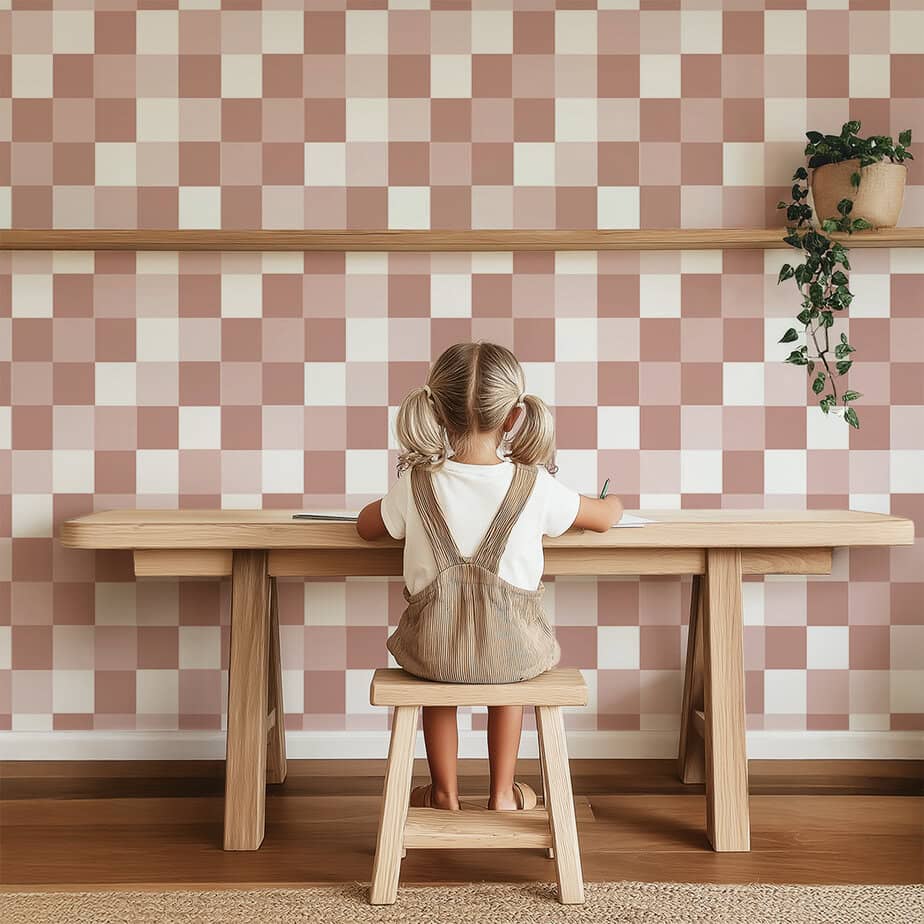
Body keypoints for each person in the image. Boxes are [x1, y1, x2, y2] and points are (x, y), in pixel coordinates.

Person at [357, 342, 622, 812]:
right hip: (514, 655)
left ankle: (443, 793)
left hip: (431, 654)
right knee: (509, 665)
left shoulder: (417, 483)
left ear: (436, 412)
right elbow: (601, 518)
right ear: (514, 417)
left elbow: (366, 527)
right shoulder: (535, 484)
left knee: (439, 677)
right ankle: (502, 793)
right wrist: (615, 503)